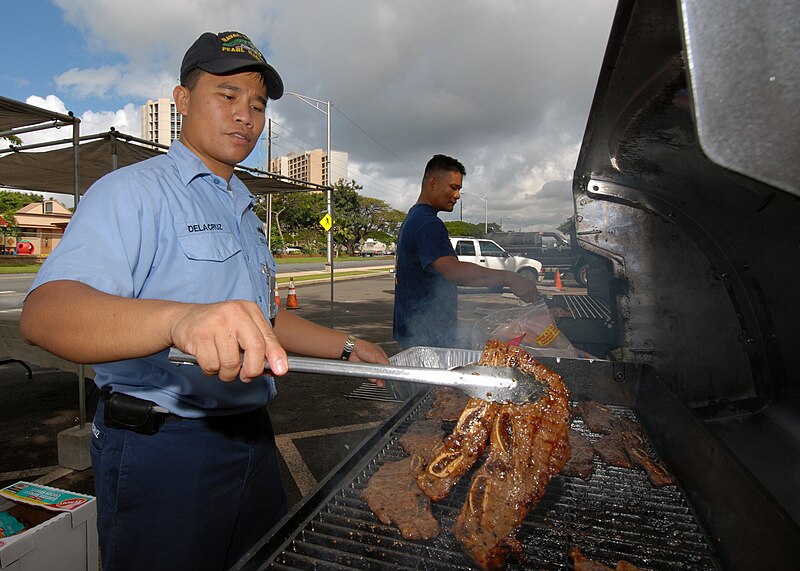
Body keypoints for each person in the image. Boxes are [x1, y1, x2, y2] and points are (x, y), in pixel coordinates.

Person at [20, 31, 388, 571]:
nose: (246, 116)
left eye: (257, 104)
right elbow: (45, 313)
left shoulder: (244, 207)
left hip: (253, 440)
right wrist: (179, 320)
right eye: (227, 94)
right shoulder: (133, 192)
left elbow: (260, 320)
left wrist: (350, 346)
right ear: (184, 100)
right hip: (163, 449)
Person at [393, 154, 539, 349]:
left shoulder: (413, 217)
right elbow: (452, 270)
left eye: (459, 189)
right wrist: (510, 278)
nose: (457, 195)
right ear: (432, 183)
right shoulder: (427, 223)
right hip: (426, 339)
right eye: (453, 187)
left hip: (415, 332)